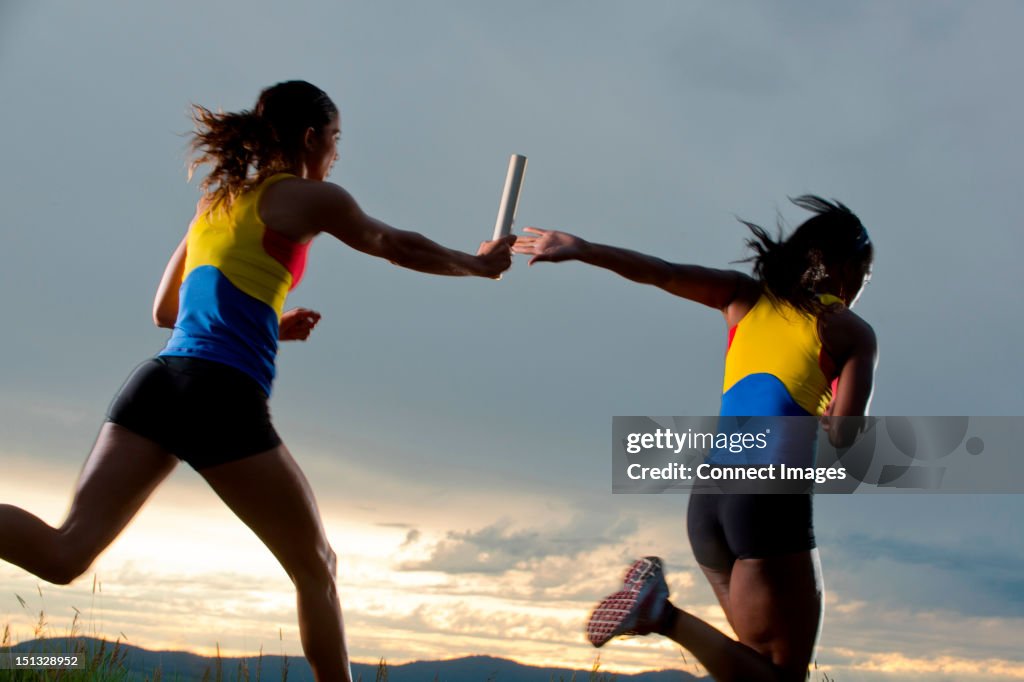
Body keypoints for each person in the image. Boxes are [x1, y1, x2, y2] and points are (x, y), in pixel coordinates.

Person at [0, 80, 514, 682]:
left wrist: (270, 321)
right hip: (219, 394)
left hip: (158, 383)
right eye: (335, 139)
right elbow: (390, 242)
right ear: (310, 137)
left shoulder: (216, 203)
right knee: (316, 565)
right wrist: (477, 265)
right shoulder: (307, 198)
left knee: (64, 554)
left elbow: (167, 312)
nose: (337, 154)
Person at [512, 196, 876, 682]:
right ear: (847, 268)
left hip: (709, 505)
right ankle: (660, 614)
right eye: (865, 276)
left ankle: (658, 612)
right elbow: (847, 440)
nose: (862, 288)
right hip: (768, 500)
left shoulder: (744, 298)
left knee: (754, 667)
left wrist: (583, 248)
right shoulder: (850, 331)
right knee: (783, 675)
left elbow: (662, 272)